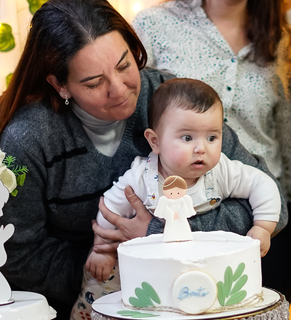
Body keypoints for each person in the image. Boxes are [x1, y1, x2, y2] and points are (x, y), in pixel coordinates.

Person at [0, 0, 286, 320]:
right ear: (60, 85)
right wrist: (113, 267)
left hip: (187, 306)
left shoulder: (171, 100)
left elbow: (273, 205)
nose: (119, 89)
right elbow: (14, 254)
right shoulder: (30, 137)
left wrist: (157, 236)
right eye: (94, 83)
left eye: (124, 65)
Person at [134, 0, 291, 298]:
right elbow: (133, 128)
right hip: (180, 225)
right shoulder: (154, 27)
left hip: (265, 230)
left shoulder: (285, 43)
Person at [85, 78, 280, 285]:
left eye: (211, 138)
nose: (201, 148)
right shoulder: (142, 178)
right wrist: (102, 250)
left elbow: (262, 184)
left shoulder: (221, 171)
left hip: (206, 269)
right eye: (187, 138)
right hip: (153, 270)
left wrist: (263, 227)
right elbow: (110, 208)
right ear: (155, 141)